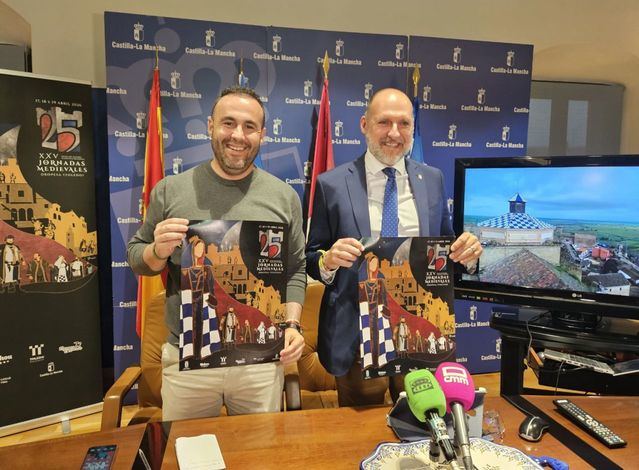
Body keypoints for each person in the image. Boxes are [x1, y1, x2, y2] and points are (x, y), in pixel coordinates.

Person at [128, 86, 306, 420]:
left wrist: (293, 325)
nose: (238, 135)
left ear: (262, 134)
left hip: (260, 362)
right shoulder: (170, 190)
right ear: (210, 126)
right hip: (188, 358)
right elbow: (138, 258)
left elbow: (295, 268)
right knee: (186, 446)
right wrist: (157, 250)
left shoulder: (284, 198)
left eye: (249, 126)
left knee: (258, 446)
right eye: (228, 123)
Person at [306, 88, 482, 406]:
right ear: (364, 125)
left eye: (404, 123)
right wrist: (327, 261)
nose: (394, 133)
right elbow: (311, 256)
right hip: (358, 332)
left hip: (418, 328)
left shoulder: (433, 179)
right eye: (384, 122)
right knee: (361, 428)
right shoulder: (331, 184)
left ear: (413, 128)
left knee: (422, 420)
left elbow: (444, 251)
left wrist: (467, 254)